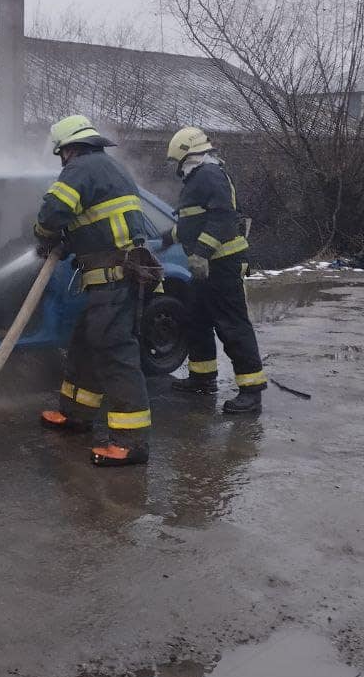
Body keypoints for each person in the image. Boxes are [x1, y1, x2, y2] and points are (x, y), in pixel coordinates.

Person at [34, 115, 152, 467]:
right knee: (85, 343)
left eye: (60, 153)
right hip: (114, 278)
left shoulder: (80, 168)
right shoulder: (108, 167)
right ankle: (76, 415)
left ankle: (131, 442)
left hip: (113, 278)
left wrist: (44, 236)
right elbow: (98, 222)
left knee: (116, 354)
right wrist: (72, 239)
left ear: (67, 148)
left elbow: (52, 212)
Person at [161, 127, 267, 413]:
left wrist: (201, 253)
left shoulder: (209, 174)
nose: (174, 167)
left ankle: (251, 391)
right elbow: (193, 222)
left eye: (175, 161)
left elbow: (222, 218)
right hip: (206, 268)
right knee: (198, 320)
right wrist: (167, 238)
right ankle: (203, 378)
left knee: (232, 325)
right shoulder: (197, 178)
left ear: (185, 154)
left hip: (223, 264)